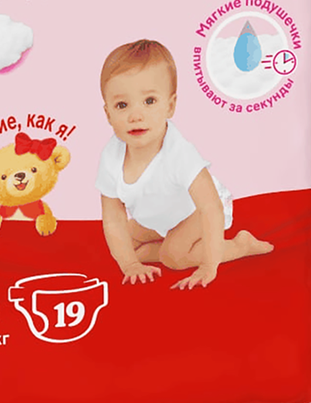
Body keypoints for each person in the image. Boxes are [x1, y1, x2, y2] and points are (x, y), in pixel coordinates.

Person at [97, 39, 273, 289]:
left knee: (174, 257)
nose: (135, 116)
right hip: (161, 213)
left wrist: (209, 265)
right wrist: (130, 264)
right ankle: (166, 243)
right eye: (122, 105)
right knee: (126, 245)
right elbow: (113, 218)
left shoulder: (178, 154)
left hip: (200, 210)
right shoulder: (111, 156)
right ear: (108, 114)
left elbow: (210, 208)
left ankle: (240, 245)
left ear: (170, 106)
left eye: (149, 101)